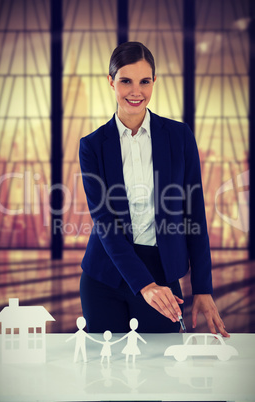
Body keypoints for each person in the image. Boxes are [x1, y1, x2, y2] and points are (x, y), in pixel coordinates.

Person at [79, 41, 229, 337]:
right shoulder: (92, 146)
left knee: (161, 373)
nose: (136, 92)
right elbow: (105, 223)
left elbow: (194, 214)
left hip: (162, 272)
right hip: (104, 277)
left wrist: (202, 287)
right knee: (104, 375)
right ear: (111, 82)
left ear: (154, 82)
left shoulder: (179, 136)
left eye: (144, 81)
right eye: (126, 81)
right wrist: (144, 286)